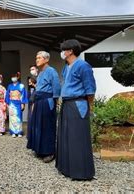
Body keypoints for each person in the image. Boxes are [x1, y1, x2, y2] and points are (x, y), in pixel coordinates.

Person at [56, 39, 97, 181]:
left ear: (70, 51)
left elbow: (90, 90)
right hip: (67, 104)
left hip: (78, 104)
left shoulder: (83, 66)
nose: (61, 52)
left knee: (77, 137)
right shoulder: (66, 67)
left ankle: (81, 172)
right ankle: (67, 168)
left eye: (63, 50)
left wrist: (89, 107)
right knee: (66, 136)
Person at [27, 51, 61, 163]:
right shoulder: (40, 73)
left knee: (47, 126)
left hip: (47, 101)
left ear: (46, 59)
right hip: (39, 101)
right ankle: (40, 149)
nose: (37, 60)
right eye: (36, 58)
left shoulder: (51, 71)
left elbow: (56, 87)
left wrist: (55, 101)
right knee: (38, 126)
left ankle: (49, 152)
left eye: (39, 58)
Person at [5, 72, 28, 137]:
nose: (13, 78)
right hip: (11, 103)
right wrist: (7, 103)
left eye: (15, 76)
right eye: (12, 77)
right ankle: (13, 132)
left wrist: (23, 103)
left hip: (18, 103)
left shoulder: (21, 86)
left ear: (18, 77)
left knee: (19, 117)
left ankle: (19, 131)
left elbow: (23, 95)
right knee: (12, 117)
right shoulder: (9, 86)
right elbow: (7, 95)